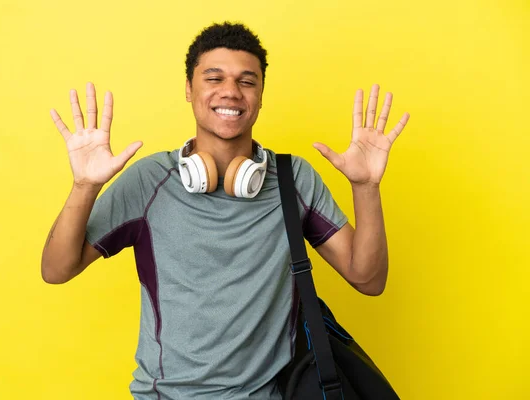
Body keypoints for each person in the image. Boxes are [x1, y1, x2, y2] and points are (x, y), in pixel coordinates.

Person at [41, 22, 409, 400]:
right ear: (189, 89)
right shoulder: (149, 181)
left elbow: (368, 279)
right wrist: (85, 186)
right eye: (213, 78)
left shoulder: (292, 179)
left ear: (261, 94)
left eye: (246, 81)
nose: (230, 92)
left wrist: (366, 188)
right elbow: (56, 269)